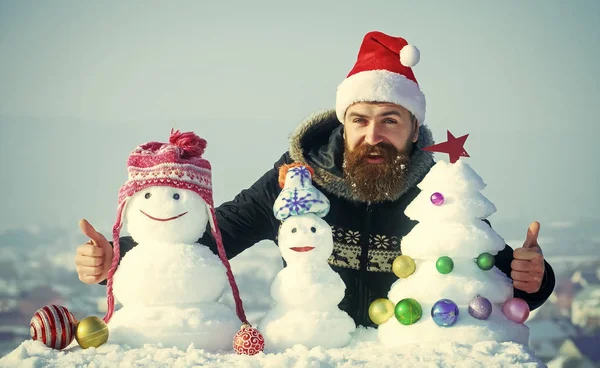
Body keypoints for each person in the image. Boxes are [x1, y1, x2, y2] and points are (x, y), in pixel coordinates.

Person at [75, 31, 555, 327]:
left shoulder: (440, 189)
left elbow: (498, 267)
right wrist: (114, 261)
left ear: (413, 131)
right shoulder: (295, 180)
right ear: (343, 123)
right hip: (312, 351)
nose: (374, 134)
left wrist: (535, 277)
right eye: (361, 119)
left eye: (391, 120)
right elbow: (207, 240)